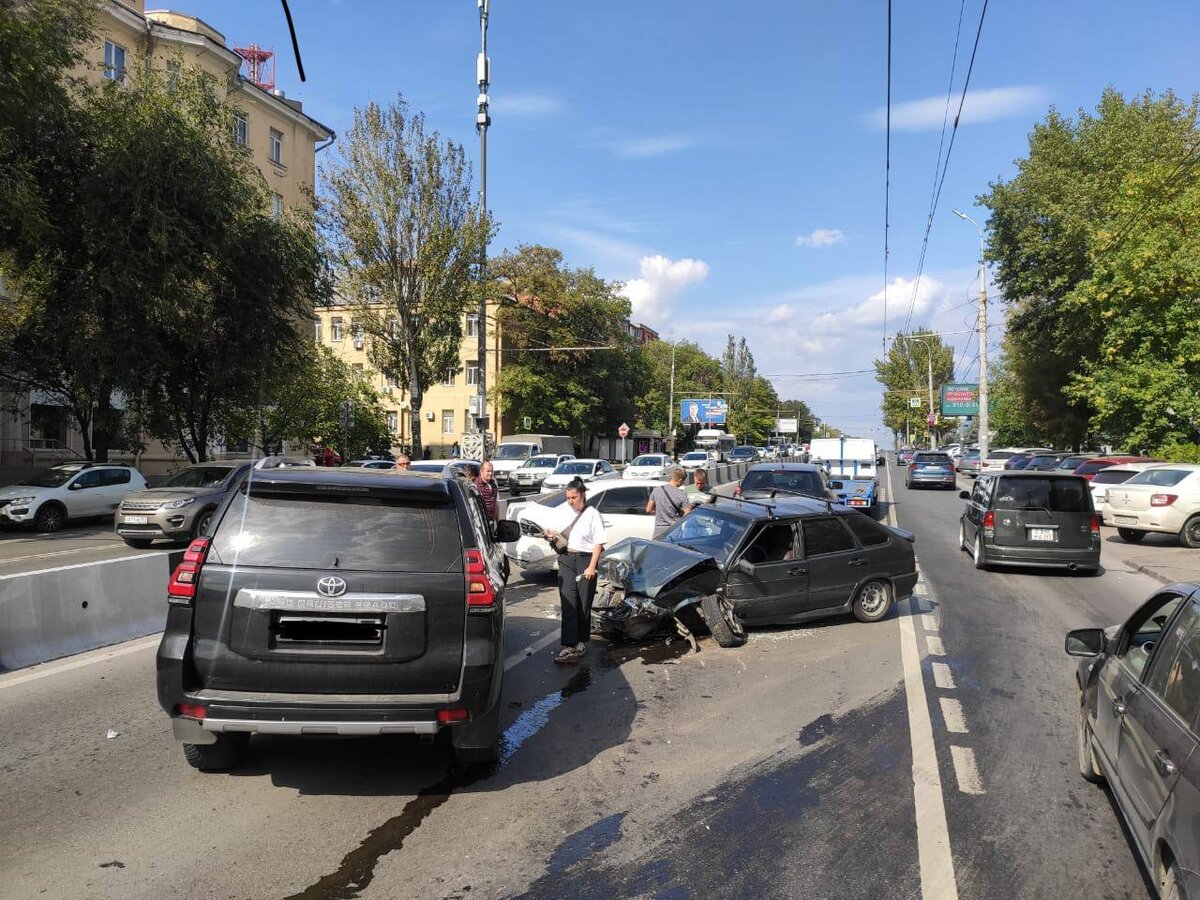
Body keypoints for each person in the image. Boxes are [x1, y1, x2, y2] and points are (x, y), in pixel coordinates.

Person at [543, 477, 607, 665]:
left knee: (582, 603)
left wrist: (592, 567)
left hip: (586, 559)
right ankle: (570, 645)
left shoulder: (593, 514)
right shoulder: (564, 511)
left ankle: (581, 641)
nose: (571, 501)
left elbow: (599, 544)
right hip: (566, 559)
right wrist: (551, 534)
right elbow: (558, 532)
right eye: (568, 498)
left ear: (583, 495)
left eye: (574, 497)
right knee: (568, 602)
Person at [646, 467, 689, 539]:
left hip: (659, 529)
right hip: (674, 530)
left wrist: (659, 512)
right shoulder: (682, 494)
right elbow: (687, 514)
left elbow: (648, 509)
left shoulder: (656, 490)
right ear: (680, 480)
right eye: (683, 481)